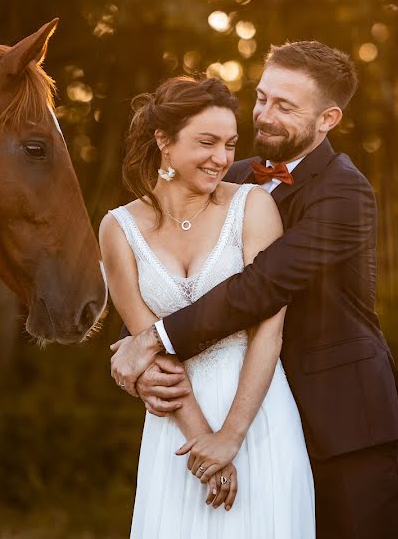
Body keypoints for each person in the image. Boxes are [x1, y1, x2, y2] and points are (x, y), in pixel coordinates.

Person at [110, 42, 398, 539]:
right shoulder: (230, 179)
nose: (264, 115)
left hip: (346, 424)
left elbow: (262, 286)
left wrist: (150, 342)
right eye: (262, 98)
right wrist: (142, 373)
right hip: (257, 415)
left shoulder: (345, 192)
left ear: (328, 118)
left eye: (285, 106)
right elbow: (166, 281)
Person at [99, 76, 315, 538]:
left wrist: (230, 437)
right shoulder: (118, 229)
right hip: (177, 431)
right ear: (164, 141)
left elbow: (267, 332)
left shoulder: (253, 207)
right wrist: (203, 445)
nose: (222, 158)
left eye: (230, 144)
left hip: (258, 418)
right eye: (207, 142)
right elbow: (153, 353)